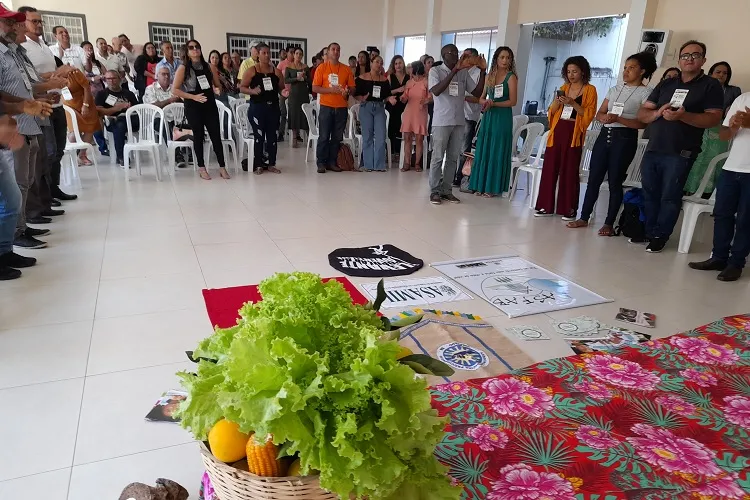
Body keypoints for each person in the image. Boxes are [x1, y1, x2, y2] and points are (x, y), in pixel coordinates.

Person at [636, 40, 723, 253]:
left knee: (669, 196)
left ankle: (660, 235)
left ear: (703, 59)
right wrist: (658, 113)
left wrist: (683, 116)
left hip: (681, 152)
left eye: (695, 55)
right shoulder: (667, 84)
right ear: (679, 59)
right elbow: (643, 113)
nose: (689, 59)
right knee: (649, 192)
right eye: (685, 55)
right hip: (655, 147)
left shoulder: (710, 85)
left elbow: (713, 119)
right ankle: (649, 230)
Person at [566, 52, 656, 234]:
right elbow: (599, 113)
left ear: (642, 71)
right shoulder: (615, 89)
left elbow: (644, 122)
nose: (626, 71)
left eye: (631, 68)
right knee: (594, 179)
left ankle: (609, 223)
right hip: (604, 134)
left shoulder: (646, 92)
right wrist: (604, 118)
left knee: (615, 181)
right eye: (625, 68)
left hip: (625, 138)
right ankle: (584, 217)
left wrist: (620, 119)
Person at [0, 6, 56, 250]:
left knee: (24, 181)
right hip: (12, 126)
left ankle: (19, 228)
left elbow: (23, 86)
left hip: (25, 121)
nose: (15, 27)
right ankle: (14, 235)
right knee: (15, 185)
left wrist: (29, 104)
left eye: (17, 23)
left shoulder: (12, 52)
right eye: (10, 23)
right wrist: (22, 106)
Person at [688, 92, 750, 282]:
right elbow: (724, 135)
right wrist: (733, 126)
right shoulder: (743, 98)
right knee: (722, 214)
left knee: (745, 220)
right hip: (732, 167)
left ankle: (736, 263)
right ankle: (718, 257)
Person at [19, 5, 77, 203]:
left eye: (39, 21)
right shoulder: (23, 47)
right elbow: (29, 78)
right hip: (40, 104)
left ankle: (54, 188)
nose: (37, 25)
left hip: (57, 101)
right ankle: (43, 196)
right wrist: (55, 76)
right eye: (33, 21)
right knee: (47, 152)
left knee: (59, 149)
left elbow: (49, 72)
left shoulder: (44, 45)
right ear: (23, 23)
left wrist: (60, 75)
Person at [534, 55, 597, 219]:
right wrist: (559, 101)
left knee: (569, 171)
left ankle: (568, 209)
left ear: (583, 72)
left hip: (573, 132)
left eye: (575, 71)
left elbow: (588, 114)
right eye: (568, 71)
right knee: (549, 168)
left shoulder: (590, 90)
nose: (571, 75)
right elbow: (551, 112)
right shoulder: (563, 87)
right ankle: (544, 206)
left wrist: (573, 103)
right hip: (558, 130)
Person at [428, 44, 486, 205]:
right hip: (441, 121)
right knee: (438, 157)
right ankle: (434, 191)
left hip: (459, 120)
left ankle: (447, 190)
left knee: (453, 158)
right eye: (452, 53)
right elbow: (437, 91)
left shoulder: (463, 73)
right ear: (444, 55)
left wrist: (482, 71)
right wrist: (454, 71)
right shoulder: (435, 71)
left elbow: (476, 92)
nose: (456, 55)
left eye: (456, 52)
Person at [172, 39, 229, 180]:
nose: (195, 49)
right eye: (191, 47)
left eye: (197, 47)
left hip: (209, 104)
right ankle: (202, 167)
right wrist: (192, 97)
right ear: (187, 51)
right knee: (198, 136)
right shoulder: (183, 68)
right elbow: (175, 90)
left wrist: (217, 89)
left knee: (216, 135)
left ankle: (222, 167)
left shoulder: (209, 67)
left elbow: (218, 85)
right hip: (193, 106)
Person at [684, 61, 742, 196]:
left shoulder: (734, 90)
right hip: (702, 127)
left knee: (714, 159)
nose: (721, 75)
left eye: (725, 73)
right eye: (718, 72)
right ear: (711, 73)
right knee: (698, 157)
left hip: (720, 130)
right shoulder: (703, 88)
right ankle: (689, 189)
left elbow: (736, 111)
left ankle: (708, 192)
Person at [468, 46, 519, 198]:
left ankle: (492, 186)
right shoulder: (490, 75)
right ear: (496, 59)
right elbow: (481, 97)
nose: (505, 60)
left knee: (497, 149)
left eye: (508, 58)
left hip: (502, 117)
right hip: (489, 116)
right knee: (485, 148)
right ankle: (480, 184)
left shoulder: (511, 77)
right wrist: (486, 102)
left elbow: (513, 101)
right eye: (502, 57)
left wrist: (494, 104)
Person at [240, 42, 283, 174]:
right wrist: (253, 91)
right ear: (257, 54)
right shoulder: (252, 70)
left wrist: (285, 93)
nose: (267, 55)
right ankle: (258, 164)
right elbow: (242, 87)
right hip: (257, 108)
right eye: (263, 53)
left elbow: (281, 88)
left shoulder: (276, 71)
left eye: (268, 53)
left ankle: (271, 163)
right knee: (259, 136)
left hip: (273, 108)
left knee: (272, 137)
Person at [311, 42, 355, 174]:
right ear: (328, 52)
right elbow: (315, 88)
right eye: (333, 49)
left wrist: (348, 91)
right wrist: (330, 90)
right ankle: (321, 162)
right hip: (326, 106)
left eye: (338, 50)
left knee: (337, 137)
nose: (336, 52)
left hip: (341, 107)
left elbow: (353, 88)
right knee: (324, 136)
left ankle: (332, 162)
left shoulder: (346, 69)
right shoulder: (322, 68)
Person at [354, 55, 396, 172]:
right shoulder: (362, 78)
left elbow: (386, 95)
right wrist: (361, 98)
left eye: (381, 62)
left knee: (381, 136)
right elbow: (355, 93)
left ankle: (379, 164)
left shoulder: (384, 80)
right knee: (367, 136)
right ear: (371, 63)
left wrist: (390, 99)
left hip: (379, 107)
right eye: (377, 62)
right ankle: (368, 164)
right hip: (366, 106)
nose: (379, 64)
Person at [94, 70, 137, 166]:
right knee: (119, 125)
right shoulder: (102, 94)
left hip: (130, 119)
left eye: (114, 78)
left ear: (120, 79)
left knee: (125, 121)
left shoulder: (128, 94)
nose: (111, 81)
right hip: (113, 121)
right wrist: (116, 108)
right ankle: (121, 156)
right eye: (108, 79)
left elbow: (137, 109)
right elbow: (99, 111)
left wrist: (130, 108)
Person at [455, 48, 482, 190]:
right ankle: (452, 175)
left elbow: (479, 98)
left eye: (467, 56)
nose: (464, 58)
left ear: (475, 58)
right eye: (463, 55)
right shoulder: (460, 71)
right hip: (456, 114)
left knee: (463, 149)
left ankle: (460, 177)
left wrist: (462, 97)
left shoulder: (478, 74)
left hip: (469, 115)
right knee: (454, 147)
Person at [399, 60, 429, 172]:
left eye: (411, 68)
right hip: (409, 111)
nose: (409, 69)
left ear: (416, 69)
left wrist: (426, 100)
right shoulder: (409, 82)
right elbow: (405, 96)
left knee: (419, 138)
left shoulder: (426, 82)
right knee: (407, 137)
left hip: (420, 112)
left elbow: (431, 97)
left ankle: (417, 163)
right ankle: (406, 163)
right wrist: (402, 98)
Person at [284, 46, 309, 148]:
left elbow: (310, 81)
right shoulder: (289, 67)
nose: (298, 55)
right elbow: (286, 80)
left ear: (302, 56)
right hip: (294, 94)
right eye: (297, 53)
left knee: (305, 114)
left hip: (303, 93)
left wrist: (305, 77)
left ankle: (308, 135)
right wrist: (296, 78)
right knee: (294, 114)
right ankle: (294, 137)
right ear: (293, 55)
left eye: (300, 54)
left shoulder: (305, 67)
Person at [386, 55, 409, 165]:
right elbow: (386, 92)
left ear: (403, 63)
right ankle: (391, 153)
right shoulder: (391, 76)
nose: (398, 65)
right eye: (396, 63)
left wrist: (405, 94)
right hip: (392, 105)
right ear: (393, 66)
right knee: (391, 129)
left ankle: (400, 153)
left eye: (400, 63)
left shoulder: (409, 77)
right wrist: (398, 90)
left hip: (404, 106)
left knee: (402, 129)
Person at [276, 45, 295, 142]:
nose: (292, 54)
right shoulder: (282, 64)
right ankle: (281, 133)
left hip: (294, 93)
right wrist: (280, 91)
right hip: (283, 92)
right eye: (291, 52)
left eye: (294, 52)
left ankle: (296, 135)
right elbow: (276, 79)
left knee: (294, 114)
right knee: (283, 113)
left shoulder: (297, 64)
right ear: (287, 53)